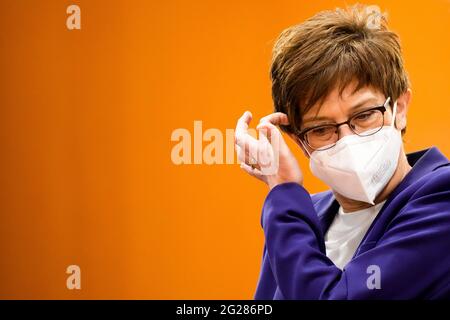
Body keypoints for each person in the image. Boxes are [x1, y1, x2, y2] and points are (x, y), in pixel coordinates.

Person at [234, 4, 450, 299]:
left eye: (364, 115)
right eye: (321, 129)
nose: (348, 139)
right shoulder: (303, 214)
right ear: (300, 143)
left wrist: (283, 192)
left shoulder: (442, 199)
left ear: (398, 109)